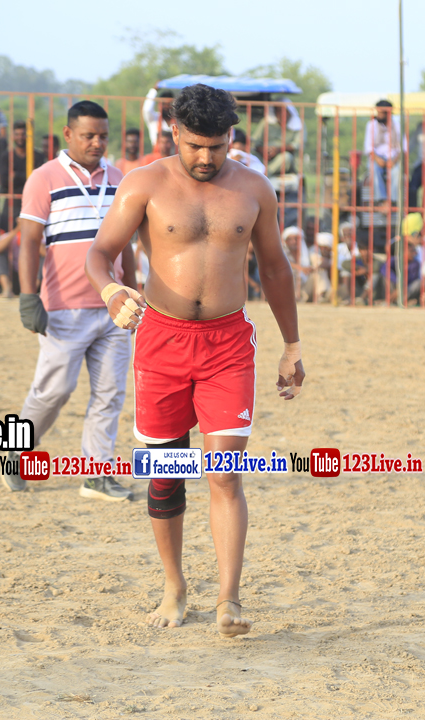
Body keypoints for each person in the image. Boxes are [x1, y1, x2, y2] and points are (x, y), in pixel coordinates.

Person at [85, 84, 303, 635]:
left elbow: (275, 267)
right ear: (174, 132)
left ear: (231, 136)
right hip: (161, 341)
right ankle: (174, 587)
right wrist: (110, 292)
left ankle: (229, 600)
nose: (206, 157)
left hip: (228, 345)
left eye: (217, 145)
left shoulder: (254, 189)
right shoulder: (144, 184)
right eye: (195, 146)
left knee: (225, 473)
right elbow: (100, 254)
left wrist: (292, 345)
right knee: (165, 477)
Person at [0, 100, 138, 502]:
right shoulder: (44, 178)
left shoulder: (120, 179)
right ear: (68, 134)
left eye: (103, 136)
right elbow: (28, 241)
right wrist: (29, 296)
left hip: (114, 306)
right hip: (63, 307)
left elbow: (126, 244)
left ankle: (97, 475)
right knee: (54, 391)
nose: (97, 143)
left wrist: (134, 289)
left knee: (110, 394)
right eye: (88, 135)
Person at [364, 99, 403, 203]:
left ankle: (393, 202)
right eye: (378, 112)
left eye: (381, 113)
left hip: (393, 158)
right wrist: (377, 159)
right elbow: (368, 147)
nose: (379, 115)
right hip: (377, 157)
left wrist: (394, 161)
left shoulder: (397, 125)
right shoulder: (371, 125)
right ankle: (381, 200)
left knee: (397, 171)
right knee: (374, 169)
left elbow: (403, 148)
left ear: (388, 113)